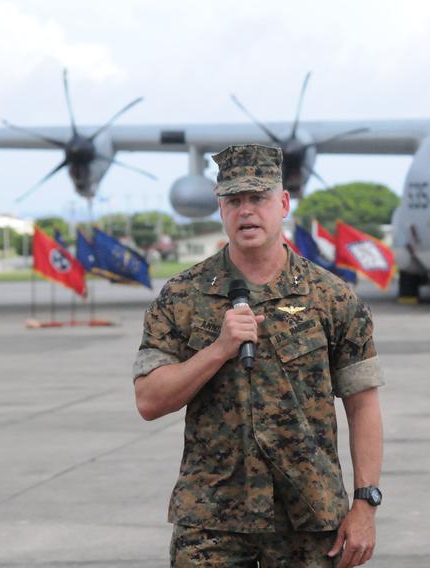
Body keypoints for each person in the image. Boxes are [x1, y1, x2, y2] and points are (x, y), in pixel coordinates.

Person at [133, 144, 384, 568]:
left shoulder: (331, 297)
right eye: (234, 200)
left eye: (258, 198)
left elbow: (364, 407)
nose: (246, 211)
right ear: (220, 208)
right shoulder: (183, 296)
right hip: (212, 520)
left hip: (308, 517)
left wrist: (365, 503)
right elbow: (149, 401)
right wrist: (218, 350)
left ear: (283, 203)